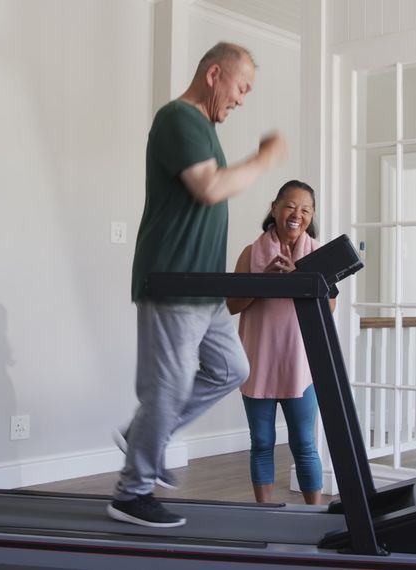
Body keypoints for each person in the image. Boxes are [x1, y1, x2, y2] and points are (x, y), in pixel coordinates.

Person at [109, 42, 288, 528]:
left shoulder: (204, 129)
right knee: (166, 387)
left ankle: (143, 432)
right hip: (173, 279)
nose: (242, 99)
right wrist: (265, 158)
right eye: (241, 88)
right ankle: (132, 492)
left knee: (231, 369)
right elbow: (209, 189)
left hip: (204, 287)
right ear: (215, 74)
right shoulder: (179, 119)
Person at [226, 180, 332, 505]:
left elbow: (329, 310)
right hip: (258, 362)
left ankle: (313, 516)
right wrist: (265, 282)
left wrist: (300, 279)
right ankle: (265, 514)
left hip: (301, 365)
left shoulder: (318, 254)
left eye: (305, 209)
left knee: (304, 443)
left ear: (311, 216)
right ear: (275, 208)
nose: (297, 214)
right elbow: (232, 305)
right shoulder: (251, 253)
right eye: (290, 206)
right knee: (261, 441)